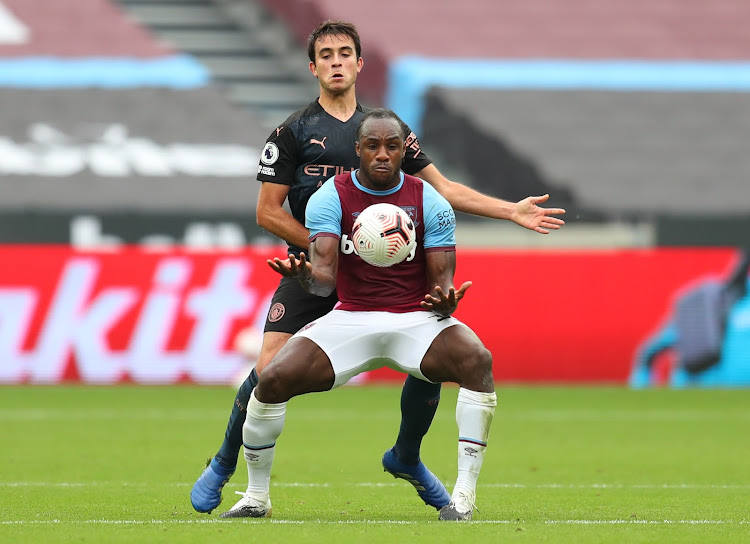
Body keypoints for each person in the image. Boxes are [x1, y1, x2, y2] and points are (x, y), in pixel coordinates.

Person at [191, 20, 565, 515]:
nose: (337, 62)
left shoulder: (384, 132)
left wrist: (509, 210)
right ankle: (224, 461)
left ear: (360, 62)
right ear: (313, 67)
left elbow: (443, 191)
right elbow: (267, 212)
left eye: (345, 53)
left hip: (388, 273)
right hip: (315, 268)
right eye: (326, 55)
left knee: (434, 350)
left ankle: (407, 455)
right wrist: (333, 250)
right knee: (268, 374)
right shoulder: (292, 133)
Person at [220, 108, 497, 521]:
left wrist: (446, 303)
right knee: (271, 378)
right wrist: (304, 276)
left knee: (477, 360)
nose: (382, 155)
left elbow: (442, 281)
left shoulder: (432, 202)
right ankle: (256, 497)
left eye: (391, 146)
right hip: (351, 316)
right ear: (359, 150)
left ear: (405, 150)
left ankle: (463, 498)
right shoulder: (329, 197)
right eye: (373, 146)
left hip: (413, 318)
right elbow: (325, 280)